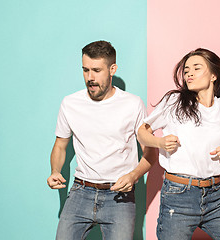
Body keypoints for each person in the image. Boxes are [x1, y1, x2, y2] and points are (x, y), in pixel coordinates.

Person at [137, 48, 220, 240]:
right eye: (187, 69)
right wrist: (160, 142)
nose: (189, 73)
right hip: (178, 194)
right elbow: (141, 133)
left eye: (196, 68)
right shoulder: (174, 101)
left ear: (214, 75)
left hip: (214, 196)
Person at [47, 40, 156, 240]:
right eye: (85, 70)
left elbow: (150, 152)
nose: (90, 77)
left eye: (96, 70)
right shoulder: (70, 103)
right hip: (81, 191)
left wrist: (133, 176)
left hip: (119, 196)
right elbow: (60, 146)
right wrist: (55, 171)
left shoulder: (132, 104)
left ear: (112, 69)